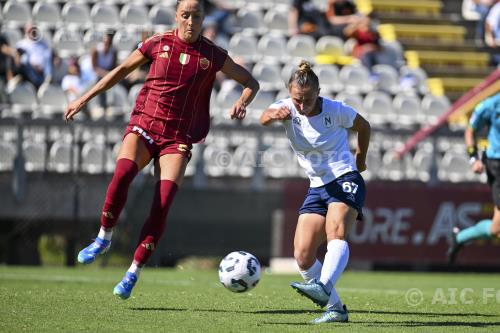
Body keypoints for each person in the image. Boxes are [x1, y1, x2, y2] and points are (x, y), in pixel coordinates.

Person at [64, 0, 259, 300]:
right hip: (145, 124)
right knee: (123, 173)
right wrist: (84, 99)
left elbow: (251, 82)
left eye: (196, 16)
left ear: (204, 18)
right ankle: (104, 236)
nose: (190, 21)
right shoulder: (158, 43)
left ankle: (133, 272)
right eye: (185, 15)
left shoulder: (213, 55)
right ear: (176, 17)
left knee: (163, 201)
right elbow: (119, 71)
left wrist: (242, 101)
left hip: (177, 137)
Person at [260, 61, 371, 324]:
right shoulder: (287, 107)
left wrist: (361, 157)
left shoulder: (335, 110)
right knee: (302, 254)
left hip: (344, 176)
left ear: (319, 92)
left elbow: (364, 126)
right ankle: (336, 309)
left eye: (308, 99)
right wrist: (272, 116)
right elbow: (263, 117)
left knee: (337, 231)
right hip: (317, 186)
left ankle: (323, 286)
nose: (302, 105)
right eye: (297, 99)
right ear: (290, 93)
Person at [447, 92, 500, 264]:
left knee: (496, 229)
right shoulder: (491, 104)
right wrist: (474, 158)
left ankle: (461, 237)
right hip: (497, 164)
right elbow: (470, 130)